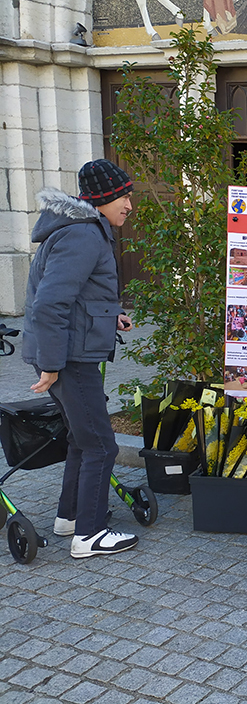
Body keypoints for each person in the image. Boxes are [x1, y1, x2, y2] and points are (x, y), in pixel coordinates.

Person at [22, 159, 139, 559]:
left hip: (65, 354)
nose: (129, 204)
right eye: (124, 196)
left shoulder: (78, 231)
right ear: (104, 198)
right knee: (101, 445)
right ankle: (89, 535)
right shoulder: (84, 236)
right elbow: (49, 305)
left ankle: (70, 517)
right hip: (68, 359)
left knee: (81, 438)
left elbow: (79, 298)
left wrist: (113, 316)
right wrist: (53, 365)